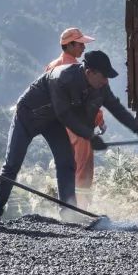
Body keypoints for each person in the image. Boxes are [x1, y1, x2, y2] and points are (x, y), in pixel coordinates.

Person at [0, 49, 138, 220]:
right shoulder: (61, 77)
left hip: (52, 120)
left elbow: (116, 107)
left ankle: (68, 212)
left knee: (67, 162)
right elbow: (65, 114)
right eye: (104, 76)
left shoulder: (100, 85)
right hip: (27, 115)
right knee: (12, 164)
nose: (106, 81)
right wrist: (90, 136)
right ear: (90, 72)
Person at [45, 27, 107, 206]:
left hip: (58, 126)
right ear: (69, 45)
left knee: (67, 167)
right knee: (83, 168)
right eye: (80, 44)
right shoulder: (77, 69)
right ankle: (81, 209)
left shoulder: (52, 66)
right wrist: (99, 120)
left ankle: (67, 207)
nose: (84, 48)